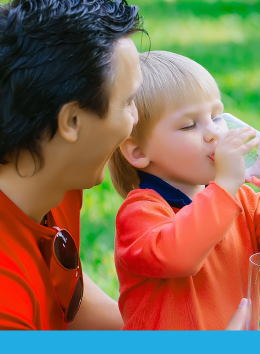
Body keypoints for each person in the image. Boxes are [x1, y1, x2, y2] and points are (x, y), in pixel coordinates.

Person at [108, 51, 260, 330]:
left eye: (217, 115)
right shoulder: (140, 212)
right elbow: (179, 257)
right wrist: (224, 186)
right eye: (189, 125)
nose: (213, 132)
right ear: (139, 152)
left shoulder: (242, 201)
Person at [0, 0, 143, 330]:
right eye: (127, 102)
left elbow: (65, 293)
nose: (134, 120)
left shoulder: (55, 180)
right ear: (72, 121)